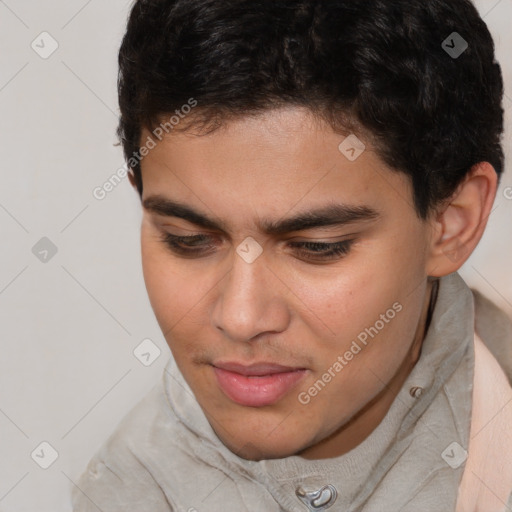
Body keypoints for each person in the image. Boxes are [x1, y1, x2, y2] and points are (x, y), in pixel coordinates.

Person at [72, 0, 512, 510]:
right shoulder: (121, 488)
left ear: (451, 223)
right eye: (186, 238)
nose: (240, 317)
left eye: (316, 248)